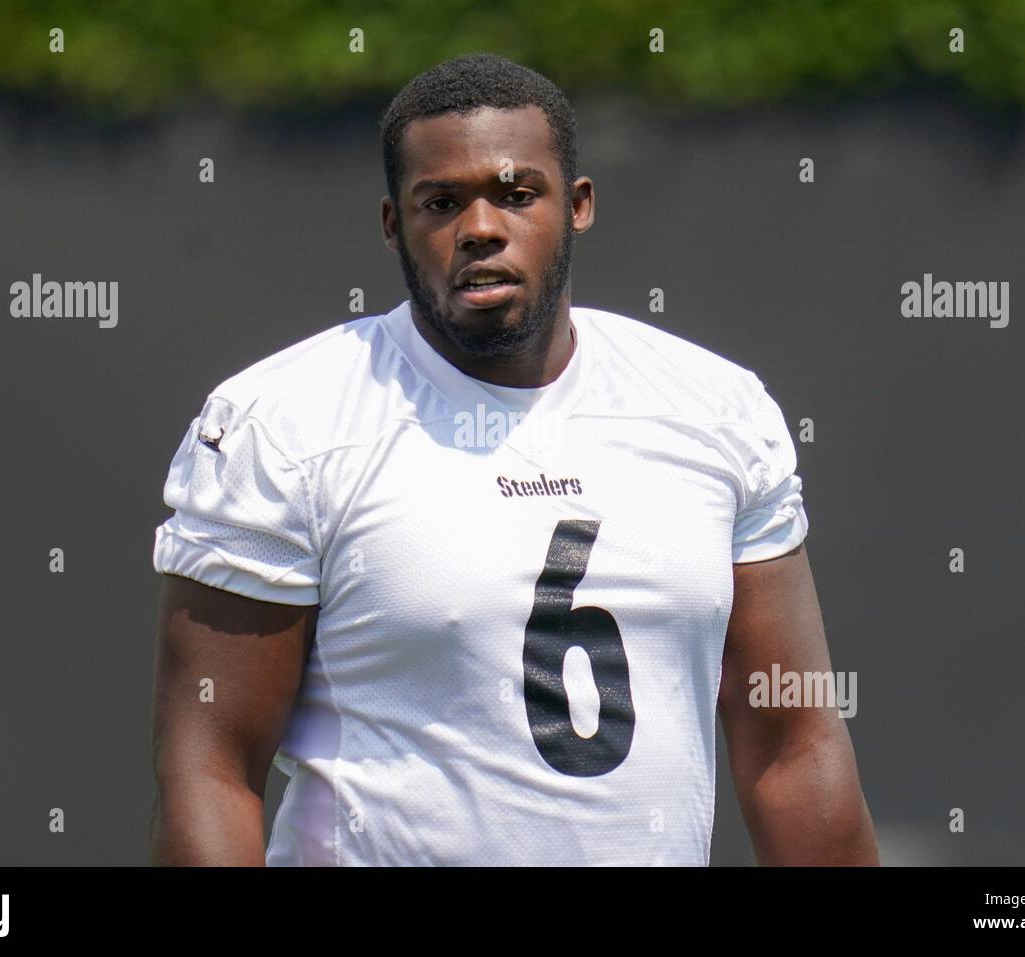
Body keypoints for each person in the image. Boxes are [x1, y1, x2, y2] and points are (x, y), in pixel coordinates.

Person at [149, 53, 878, 866]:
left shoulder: (716, 409)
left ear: (578, 206)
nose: (481, 227)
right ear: (394, 224)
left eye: (516, 193)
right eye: (442, 201)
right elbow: (209, 769)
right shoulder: (282, 424)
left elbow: (794, 744)